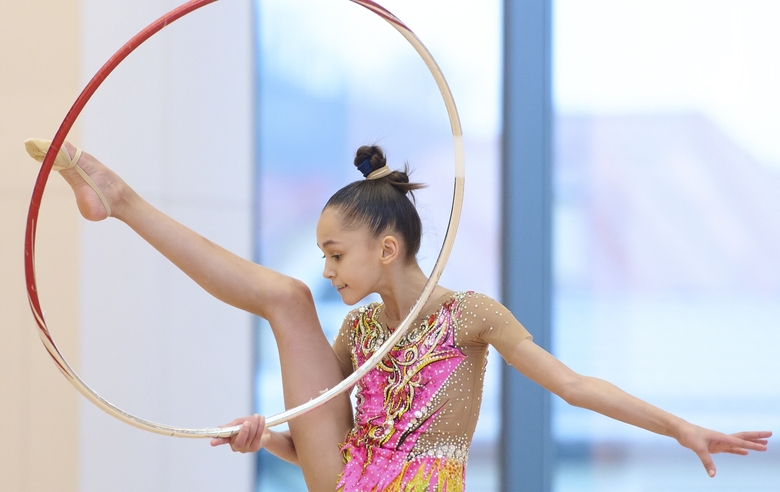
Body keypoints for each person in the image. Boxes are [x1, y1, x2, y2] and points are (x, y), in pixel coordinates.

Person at [26, 139, 771, 491]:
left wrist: (679, 426)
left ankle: (118, 202)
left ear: (387, 248)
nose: (327, 270)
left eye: (336, 254)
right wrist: (266, 440)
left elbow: (572, 386)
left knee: (288, 302)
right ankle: (117, 201)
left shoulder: (472, 316)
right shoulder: (361, 332)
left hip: (420, 487)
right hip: (353, 478)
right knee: (284, 300)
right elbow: (329, 438)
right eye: (322, 253)